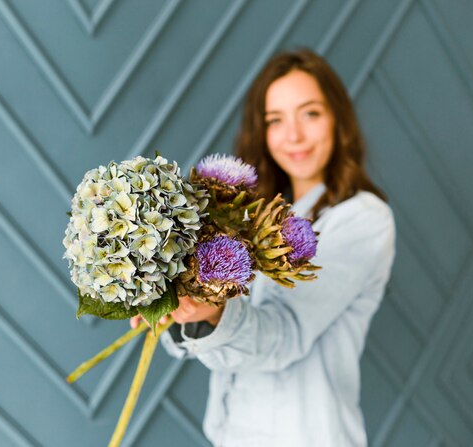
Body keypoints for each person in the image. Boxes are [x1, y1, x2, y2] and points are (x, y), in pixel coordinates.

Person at [131, 48, 395, 446]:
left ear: (339, 119)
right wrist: (176, 303)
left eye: (310, 113)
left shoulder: (364, 219)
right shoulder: (255, 218)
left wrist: (213, 313)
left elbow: (284, 333)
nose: (294, 135)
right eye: (276, 120)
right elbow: (211, 338)